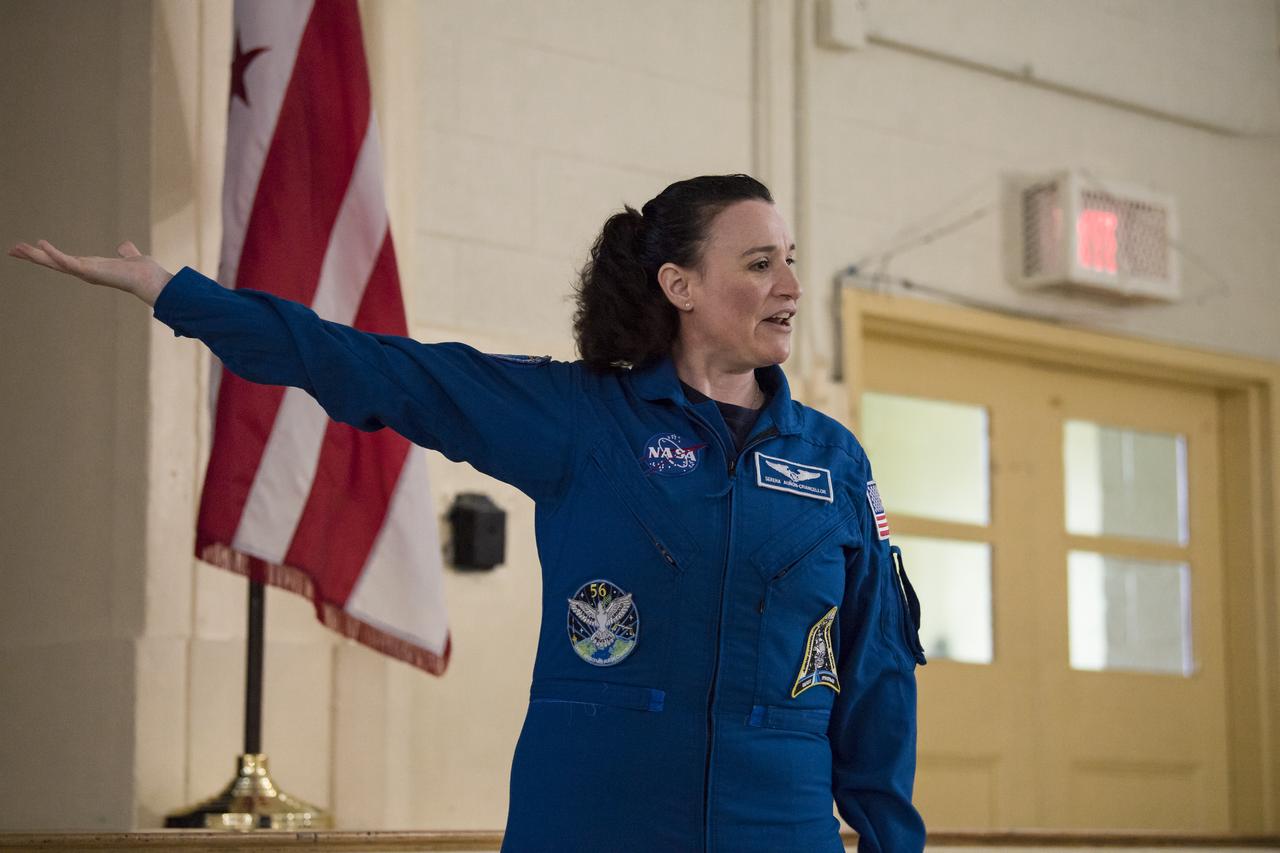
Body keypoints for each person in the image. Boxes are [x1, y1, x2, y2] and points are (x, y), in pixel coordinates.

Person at [9, 173, 927, 852]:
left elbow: (877, 672)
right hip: (594, 822)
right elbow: (378, 369)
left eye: (790, 262)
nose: (789, 286)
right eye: (760, 264)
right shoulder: (580, 419)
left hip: (779, 826)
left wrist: (891, 841)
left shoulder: (834, 461)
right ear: (679, 285)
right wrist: (180, 295)